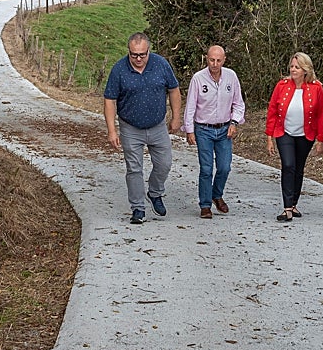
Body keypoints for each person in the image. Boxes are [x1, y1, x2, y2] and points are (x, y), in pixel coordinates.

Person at [104, 33, 182, 225]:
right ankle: (138, 208)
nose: (138, 59)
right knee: (134, 168)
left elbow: (174, 89)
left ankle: (155, 193)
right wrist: (112, 130)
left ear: (149, 50)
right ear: (128, 52)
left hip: (157, 125)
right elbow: (109, 100)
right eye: (134, 55)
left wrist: (176, 117)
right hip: (130, 127)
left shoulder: (161, 65)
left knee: (164, 163)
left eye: (142, 54)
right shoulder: (119, 69)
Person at [182, 45, 246, 219]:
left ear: (224, 60)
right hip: (204, 129)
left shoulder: (231, 77)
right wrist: (189, 130)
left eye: (218, 60)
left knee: (224, 167)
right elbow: (190, 106)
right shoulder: (198, 79)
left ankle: (216, 194)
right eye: (212, 60)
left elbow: (238, 103)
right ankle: (205, 204)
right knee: (206, 168)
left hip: (225, 129)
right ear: (206, 59)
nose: (215, 64)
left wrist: (234, 122)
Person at [264, 52, 323, 222]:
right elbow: (272, 111)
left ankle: (293, 203)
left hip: (306, 134)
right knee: (288, 165)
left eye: (297, 67)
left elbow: (322, 114)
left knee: (298, 168)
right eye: (292, 66)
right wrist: (269, 136)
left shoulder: (316, 88)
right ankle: (287, 208)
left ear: (305, 69)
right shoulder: (282, 85)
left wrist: (321, 139)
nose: (293, 70)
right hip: (284, 132)